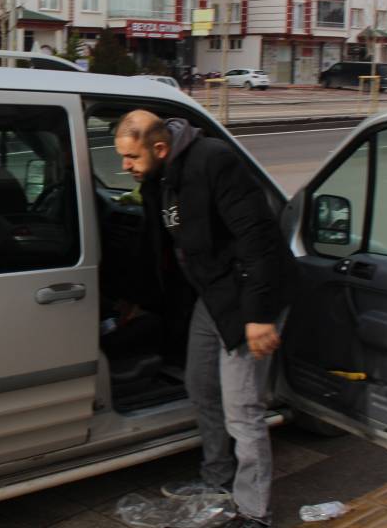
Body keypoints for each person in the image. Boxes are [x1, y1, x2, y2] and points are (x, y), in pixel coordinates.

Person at [113, 109, 297, 528]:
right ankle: (217, 479)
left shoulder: (212, 160)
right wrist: (136, 299)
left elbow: (258, 239)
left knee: (242, 408)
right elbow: (159, 245)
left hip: (250, 297)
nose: (125, 166)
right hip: (213, 296)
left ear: (159, 148)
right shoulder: (157, 177)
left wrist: (259, 316)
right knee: (199, 384)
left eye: (131, 157)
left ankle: (255, 511)